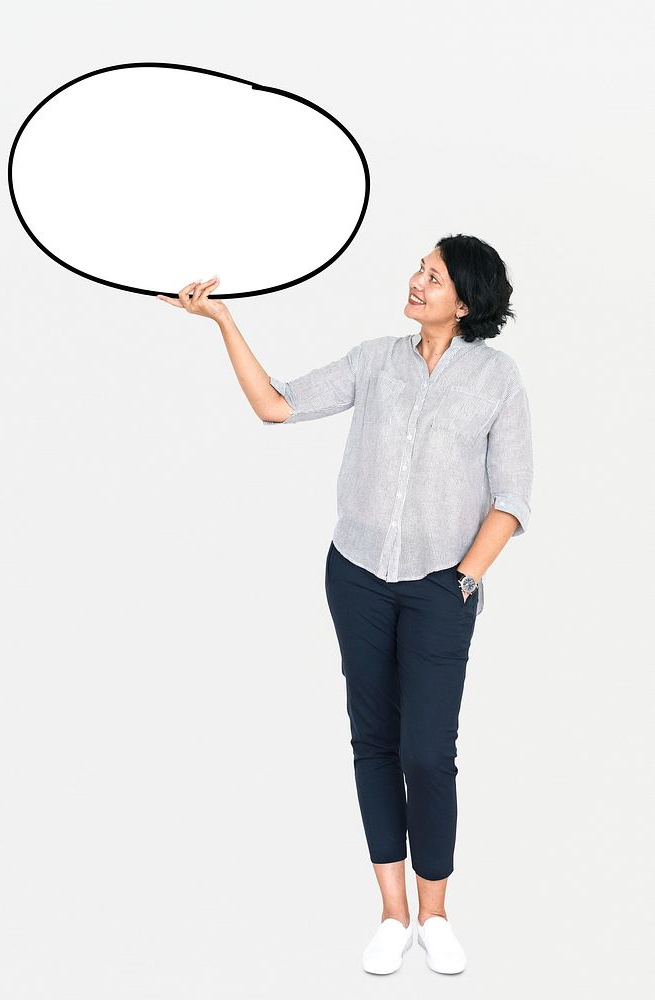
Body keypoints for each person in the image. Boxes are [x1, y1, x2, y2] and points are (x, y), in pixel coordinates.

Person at [157, 233, 533, 976]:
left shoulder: (496, 380)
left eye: (433, 276)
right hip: (356, 576)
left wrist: (463, 579)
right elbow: (276, 406)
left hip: (439, 586)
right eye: (419, 269)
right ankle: (393, 915)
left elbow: (512, 497)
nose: (416, 281)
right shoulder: (374, 360)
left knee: (429, 754)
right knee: (373, 743)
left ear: (465, 300)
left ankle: (436, 913)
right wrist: (225, 323)